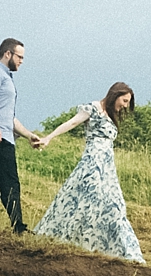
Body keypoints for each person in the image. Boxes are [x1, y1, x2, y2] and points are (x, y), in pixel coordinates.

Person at [31, 82, 144, 263]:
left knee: (114, 205)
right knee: (85, 200)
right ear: (115, 95)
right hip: (92, 162)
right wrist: (48, 138)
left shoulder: (111, 115)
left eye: (127, 102)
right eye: (124, 100)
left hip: (107, 166)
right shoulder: (93, 108)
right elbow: (73, 122)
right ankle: (72, 239)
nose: (124, 105)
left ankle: (119, 248)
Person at [0, 38, 44, 233]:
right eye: (19, 57)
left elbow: (9, 117)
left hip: (3, 134)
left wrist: (29, 135)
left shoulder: (6, 77)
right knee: (10, 181)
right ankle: (19, 227)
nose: (21, 61)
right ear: (8, 54)